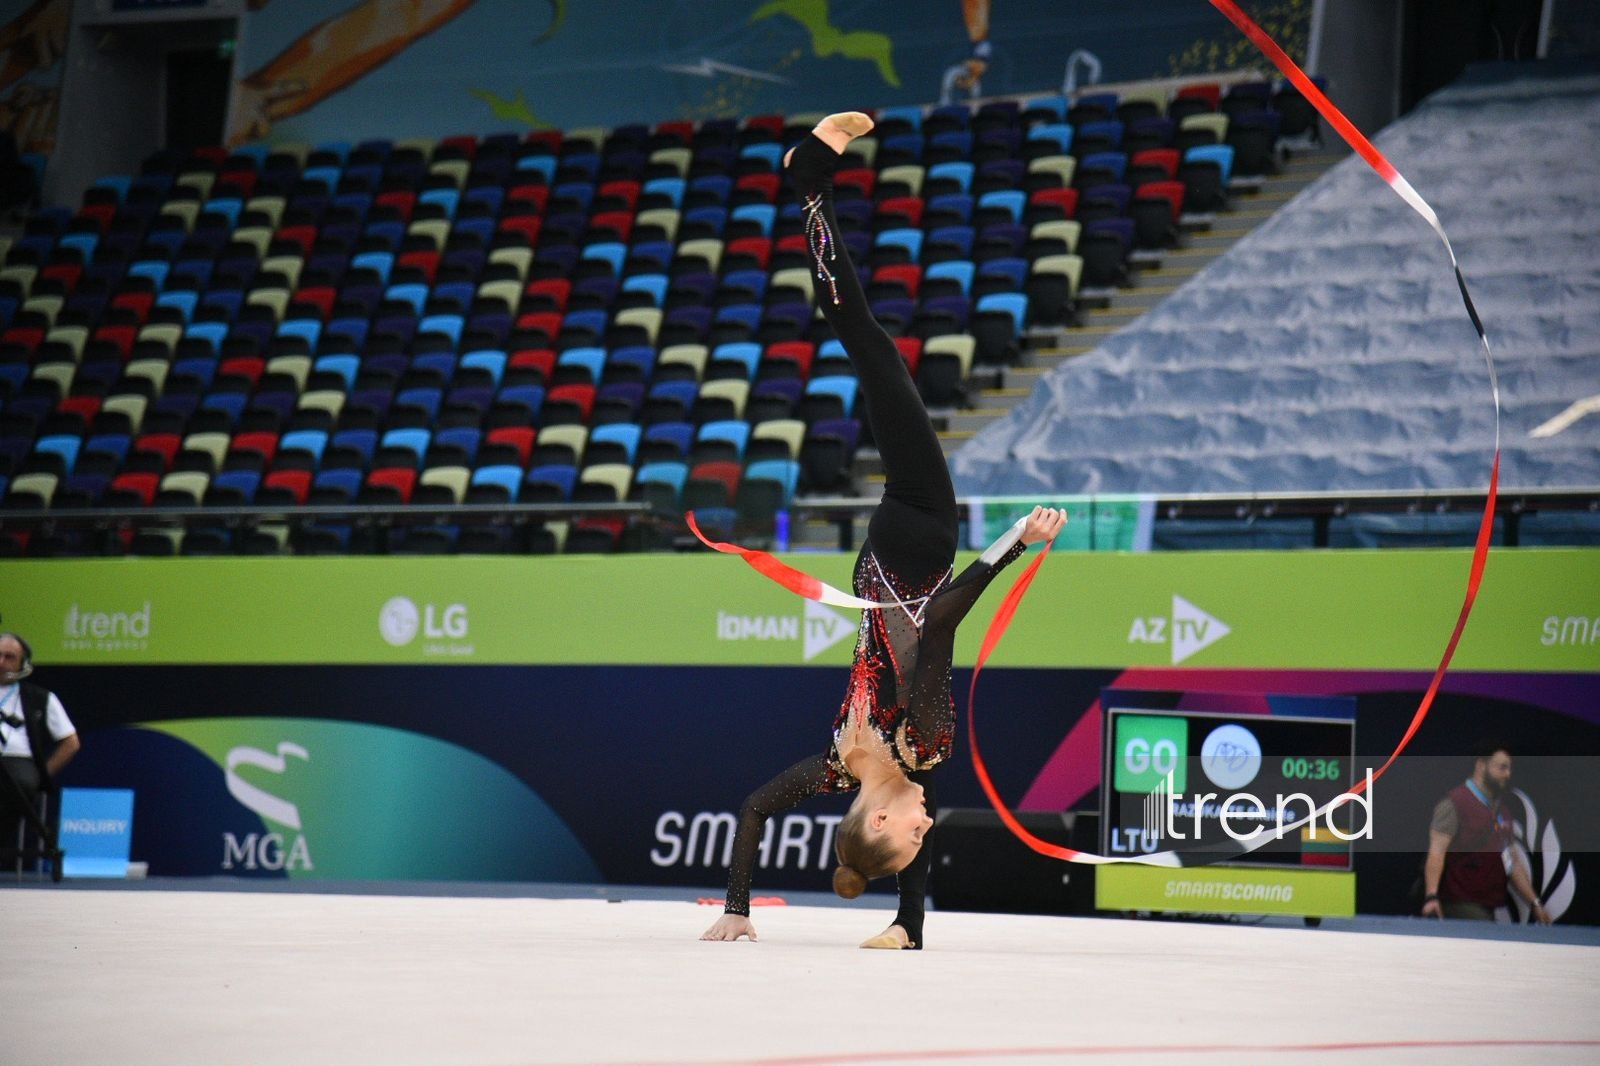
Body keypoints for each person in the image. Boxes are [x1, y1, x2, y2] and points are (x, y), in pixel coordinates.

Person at [699, 113, 1067, 949]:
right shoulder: (869, 759)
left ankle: (808, 185)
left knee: (867, 345)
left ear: (879, 814)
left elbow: (939, 621)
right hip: (899, 540)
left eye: (910, 837)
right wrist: (903, 926)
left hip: (918, 527)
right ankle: (808, 186)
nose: (925, 832)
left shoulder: (912, 743)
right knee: (868, 350)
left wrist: (1015, 543)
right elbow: (763, 810)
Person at [1421, 740, 1550, 923]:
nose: (1507, 774)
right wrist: (1431, 896)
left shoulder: (1503, 812)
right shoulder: (1454, 803)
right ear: (1481, 765)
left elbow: (1512, 862)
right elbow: (1436, 852)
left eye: (1509, 769)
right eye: (1502, 768)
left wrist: (1535, 903)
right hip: (1460, 905)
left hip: (1488, 906)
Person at [0, 631, 80, 855]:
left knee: (16, 786)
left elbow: (70, 742)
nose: (2, 663)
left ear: (22, 663)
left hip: (19, 763)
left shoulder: (42, 698)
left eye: (9, 657)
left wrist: (42, 775)